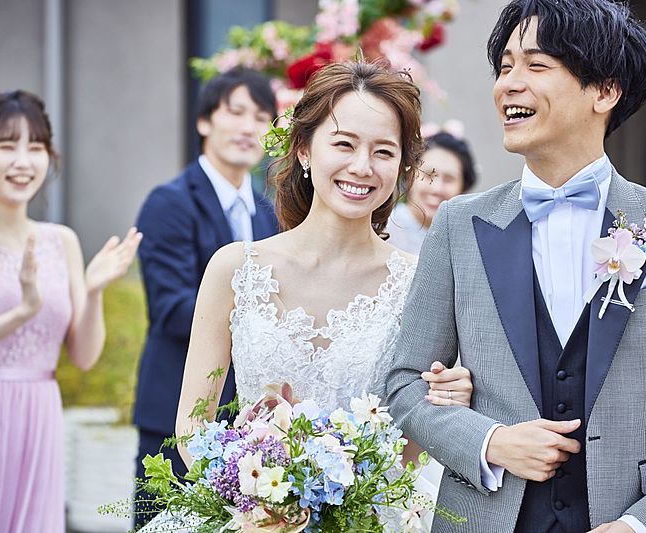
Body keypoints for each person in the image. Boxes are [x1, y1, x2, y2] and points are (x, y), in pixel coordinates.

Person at [387, 0, 646, 532]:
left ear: (605, 91)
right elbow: (405, 382)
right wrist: (490, 441)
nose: (509, 84)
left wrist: (644, 524)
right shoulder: (458, 225)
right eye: (505, 66)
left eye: (536, 65)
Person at [169, 61, 474, 529]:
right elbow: (193, 423)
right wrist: (252, 497)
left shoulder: (422, 284)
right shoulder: (234, 269)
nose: (362, 167)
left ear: (402, 167)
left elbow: (416, 442)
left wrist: (346, 506)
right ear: (304, 149)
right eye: (344, 144)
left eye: (383, 151)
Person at [0, 90, 141, 532]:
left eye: (36, 147)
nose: (23, 161)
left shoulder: (61, 240)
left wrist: (94, 291)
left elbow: (84, 357)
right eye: (7, 146)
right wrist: (20, 312)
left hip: (39, 416)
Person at [132, 68, 281, 526]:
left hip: (248, 424)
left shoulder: (270, 212)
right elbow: (171, 308)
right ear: (203, 121)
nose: (248, 127)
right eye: (235, 112)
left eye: (261, 117)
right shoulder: (169, 203)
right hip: (174, 413)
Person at [388, 128, 477, 254]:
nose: (436, 189)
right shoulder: (384, 229)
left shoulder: (470, 242)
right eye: (428, 175)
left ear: (463, 187)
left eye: (449, 179)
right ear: (409, 176)